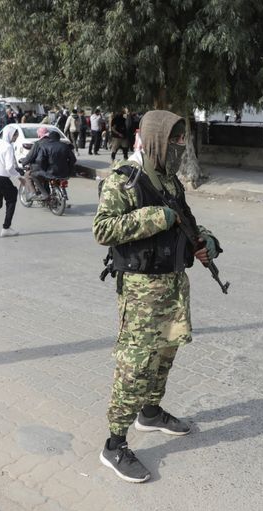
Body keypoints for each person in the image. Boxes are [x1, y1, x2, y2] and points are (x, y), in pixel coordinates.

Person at [93, 110, 222, 483]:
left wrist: (206, 242)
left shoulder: (168, 180)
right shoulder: (125, 180)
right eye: (174, 141)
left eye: (183, 141)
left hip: (173, 286)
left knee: (166, 353)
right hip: (141, 291)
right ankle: (114, 444)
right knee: (136, 365)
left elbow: (186, 220)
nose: (180, 147)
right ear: (154, 140)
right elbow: (102, 229)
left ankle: (149, 412)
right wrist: (154, 218)